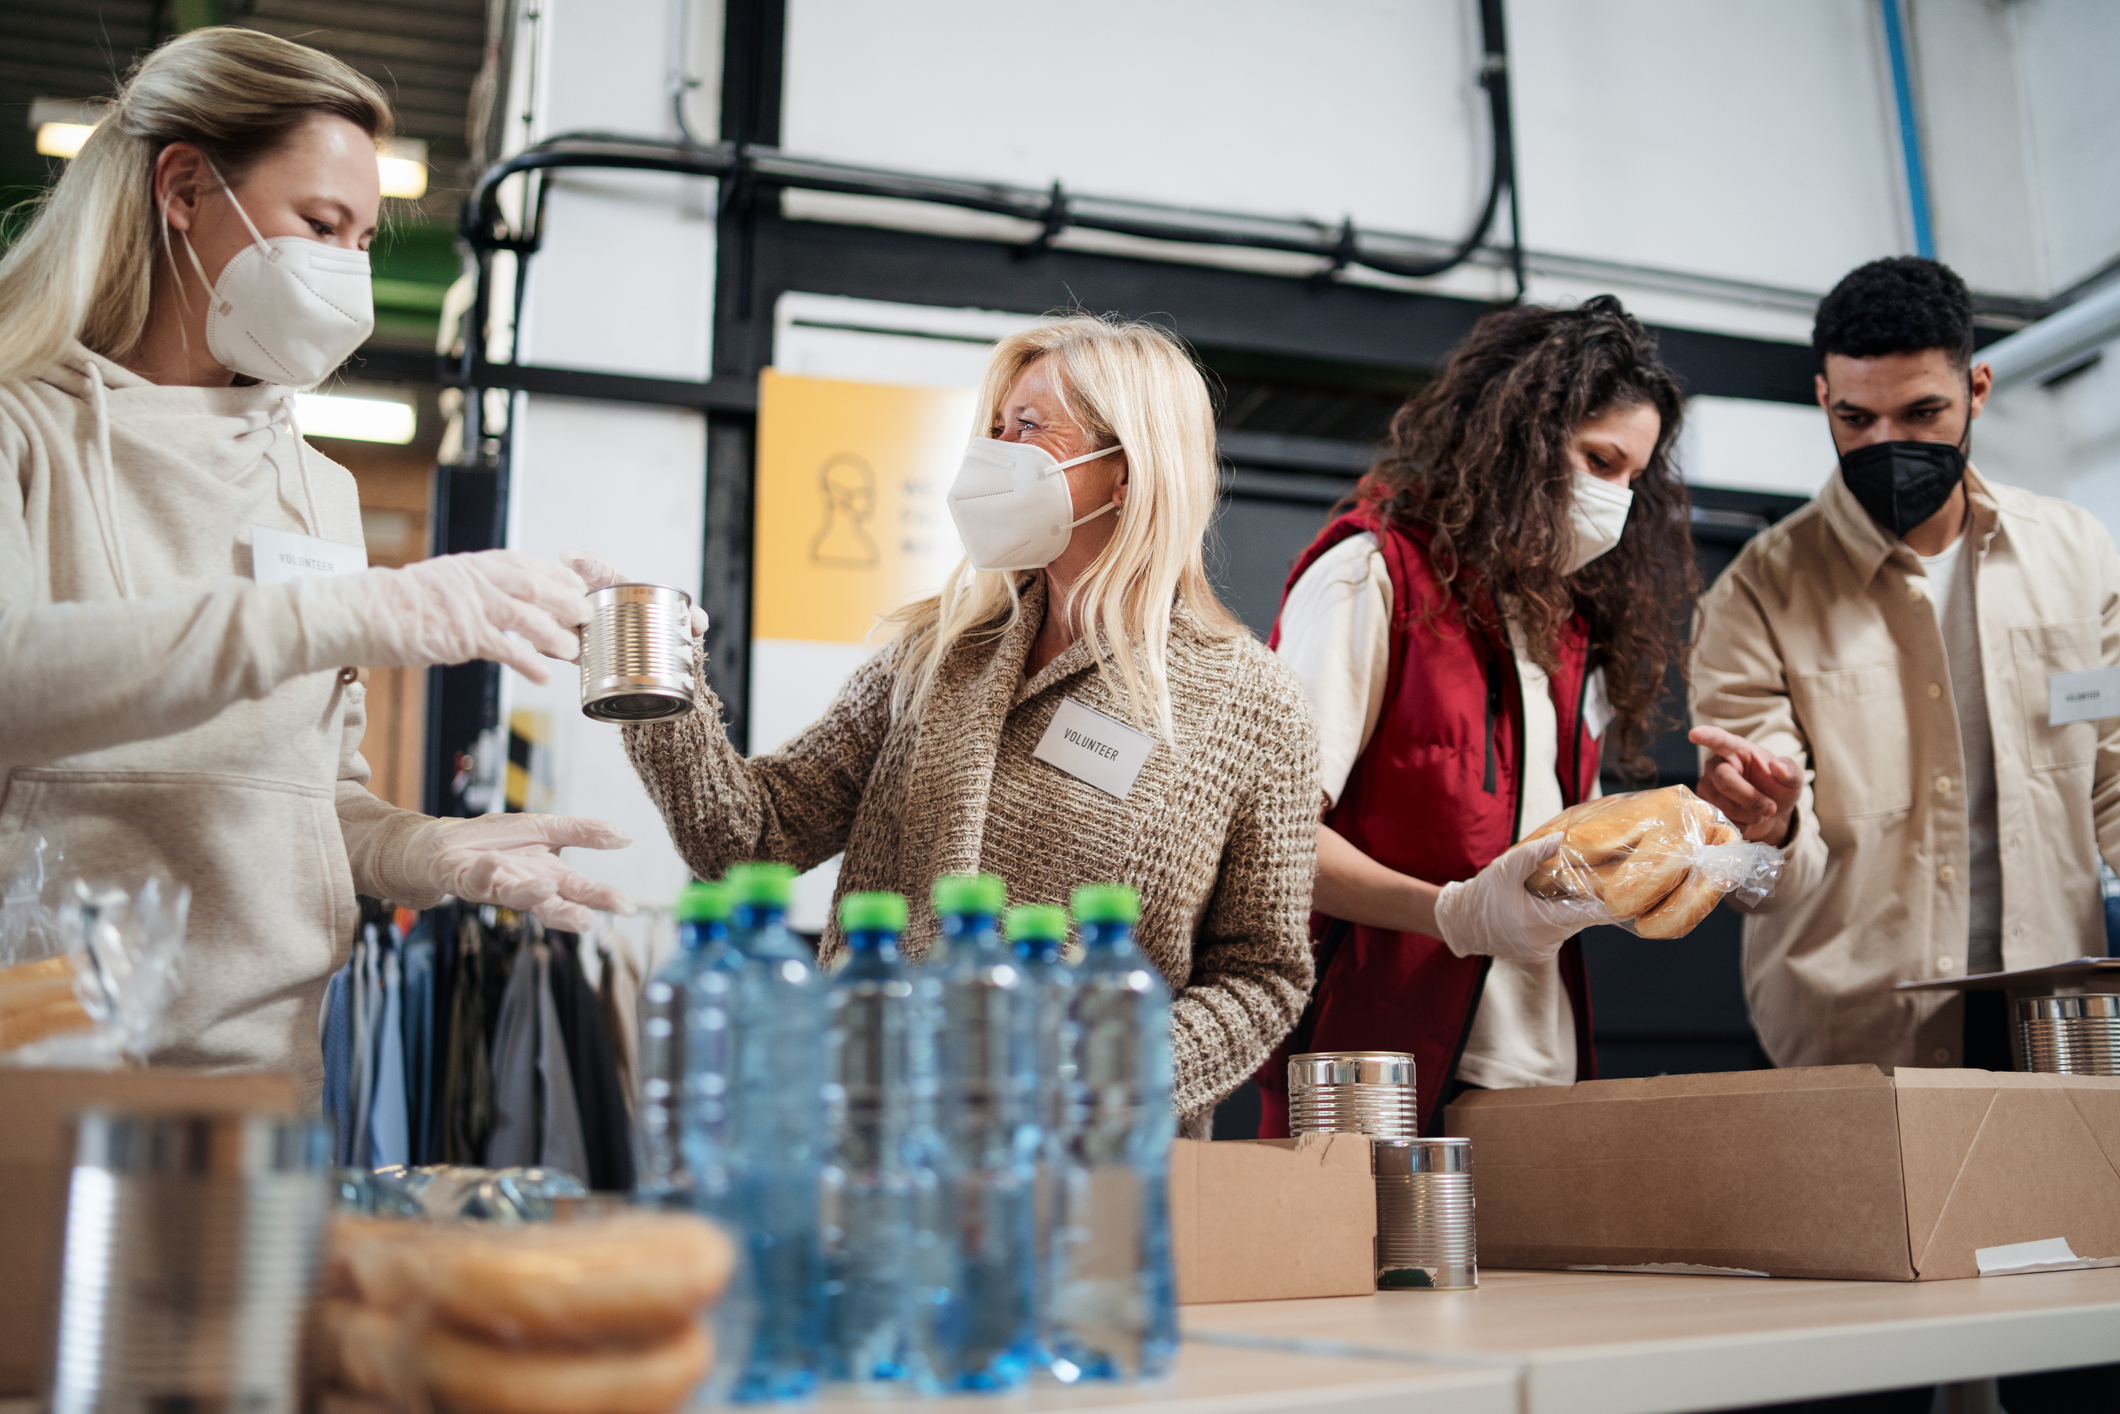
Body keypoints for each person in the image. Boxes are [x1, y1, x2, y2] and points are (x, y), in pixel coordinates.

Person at [0, 27, 630, 1100]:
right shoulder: (24, 427)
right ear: (185, 188)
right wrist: (355, 611)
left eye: (366, 238)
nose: (347, 269)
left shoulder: (316, 489)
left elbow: (308, 798)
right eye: (320, 224)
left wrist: (428, 851)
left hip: (266, 1076)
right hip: (37, 1074)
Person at [611, 314, 1320, 1137]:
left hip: (1082, 1162)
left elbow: (1261, 975)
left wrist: (1109, 1071)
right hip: (867, 1131)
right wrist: (657, 679)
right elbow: (745, 838)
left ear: (1125, 470)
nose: (994, 455)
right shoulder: (936, 655)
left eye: (1027, 428)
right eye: (992, 428)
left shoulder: (1254, 705)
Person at [1256, 296, 1696, 1137]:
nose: (1616, 502)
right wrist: (1451, 914)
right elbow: (1271, 839)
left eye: (1634, 480)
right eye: (1599, 462)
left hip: (1537, 1067)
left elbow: (1558, 859)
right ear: (1520, 435)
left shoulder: (1568, 627)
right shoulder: (1370, 579)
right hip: (1376, 1064)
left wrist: (1672, 863)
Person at [1689, 255, 2120, 1074]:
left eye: (1923, 412)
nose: (1888, 443)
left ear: (1978, 390)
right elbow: (1767, 874)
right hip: (1858, 1033)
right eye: (1856, 419)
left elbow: (2114, 776)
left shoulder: (2077, 553)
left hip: (2062, 1019)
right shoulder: (1756, 595)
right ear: (1823, 399)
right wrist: (1767, 824)